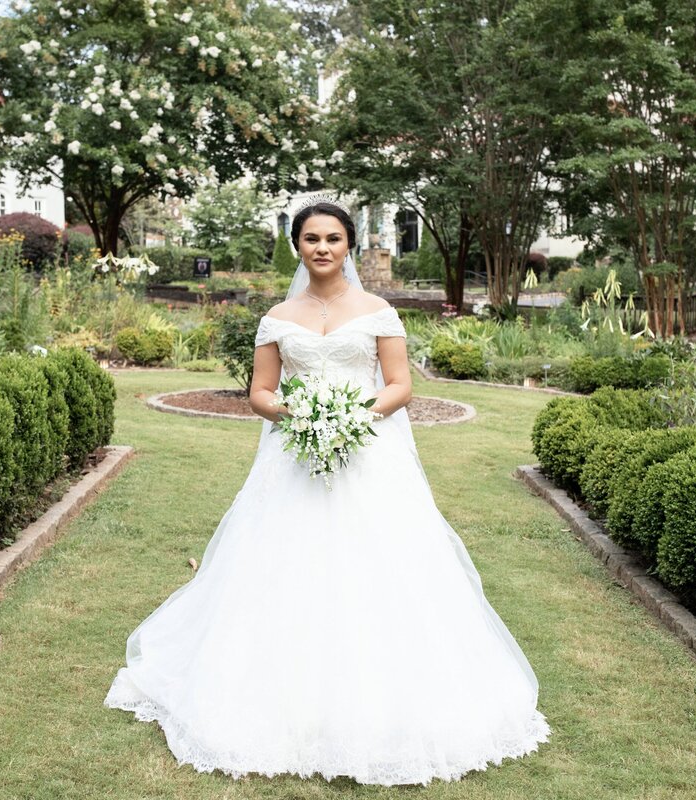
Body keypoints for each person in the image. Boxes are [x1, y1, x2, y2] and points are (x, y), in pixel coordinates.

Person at [104, 200, 551, 785]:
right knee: (282, 566)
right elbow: (261, 391)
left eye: (333, 238)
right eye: (311, 238)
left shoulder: (379, 310)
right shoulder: (277, 316)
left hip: (368, 455)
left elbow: (400, 384)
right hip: (293, 457)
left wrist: (351, 419)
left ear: (349, 245)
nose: (322, 247)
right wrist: (297, 415)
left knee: (380, 569)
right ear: (297, 246)